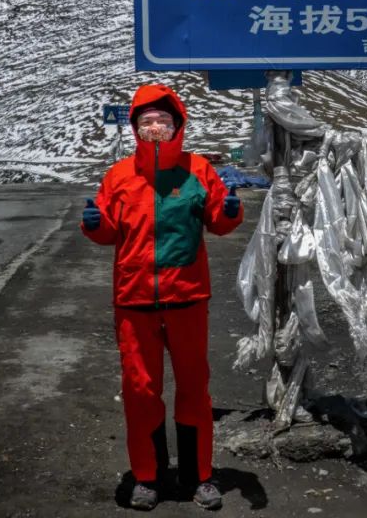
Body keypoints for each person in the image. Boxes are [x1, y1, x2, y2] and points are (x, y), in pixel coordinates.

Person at [81, 84, 243, 511]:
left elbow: (218, 222)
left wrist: (229, 212)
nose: (155, 127)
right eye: (147, 121)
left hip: (187, 297)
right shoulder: (118, 175)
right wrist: (95, 223)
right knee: (140, 390)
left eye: (163, 121)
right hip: (134, 300)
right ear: (136, 128)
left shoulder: (198, 169)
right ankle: (147, 477)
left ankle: (199, 477)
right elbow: (108, 233)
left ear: (177, 126)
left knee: (194, 387)